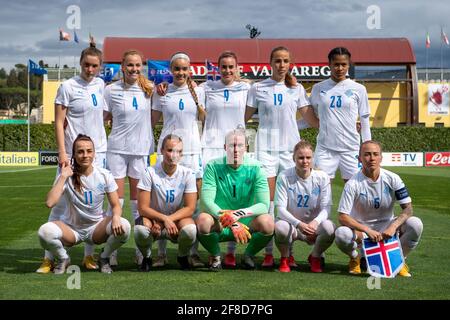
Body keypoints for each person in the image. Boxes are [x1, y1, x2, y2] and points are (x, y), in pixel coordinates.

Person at [36, 43, 108, 273]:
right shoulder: (67, 86)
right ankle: (50, 257)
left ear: (100, 67)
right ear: (80, 64)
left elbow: (103, 115)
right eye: (86, 64)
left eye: (94, 65)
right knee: (59, 203)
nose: (90, 69)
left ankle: (89, 256)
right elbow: (59, 122)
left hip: (98, 153)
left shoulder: (101, 84)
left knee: (94, 204)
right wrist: (62, 152)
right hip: (72, 155)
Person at [245, 46, 318, 268]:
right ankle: (268, 253)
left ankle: (289, 254)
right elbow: (243, 119)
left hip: (289, 151)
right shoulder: (257, 88)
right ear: (270, 63)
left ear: (290, 64)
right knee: (266, 203)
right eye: (277, 60)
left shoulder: (296, 89)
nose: (281, 64)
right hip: (265, 151)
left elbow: (311, 120)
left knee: (289, 203)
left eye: (285, 61)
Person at [37, 134, 131, 274]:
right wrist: (63, 176)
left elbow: (116, 204)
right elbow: (50, 202)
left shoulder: (104, 175)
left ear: (94, 154)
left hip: (96, 229)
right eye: (80, 151)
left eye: (89, 151)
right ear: (74, 155)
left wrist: (116, 217)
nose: (85, 155)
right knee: (44, 232)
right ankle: (64, 258)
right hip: (71, 229)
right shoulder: (67, 175)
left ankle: (104, 257)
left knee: (125, 226)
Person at [335, 140, 423, 277]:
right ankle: (355, 258)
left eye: (375, 154)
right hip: (362, 232)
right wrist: (367, 230)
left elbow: (408, 209)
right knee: (341, 233)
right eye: (367, 154)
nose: (372, 158)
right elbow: (342, 217)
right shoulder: (352, 184)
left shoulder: (393, 178)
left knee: (416, 224)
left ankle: (399, 262)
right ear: (359, 158)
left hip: (387, 228)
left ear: (381, 157)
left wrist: (393, 226)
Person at [151, 52, 206, 268]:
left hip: (192, 152)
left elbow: (231, 81)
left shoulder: (200, 91)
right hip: (167, 152)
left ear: (190, 70)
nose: (180, 72)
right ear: (171, 70)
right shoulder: (162, 91)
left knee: (195, 203)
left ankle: (192, 252)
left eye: (184, 69)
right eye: (177, 69)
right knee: (162, 201)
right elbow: (152, 121)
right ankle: (161, 254)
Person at [200, 51, 251, 268]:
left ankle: (230, 250)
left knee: (235, 196)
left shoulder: (248, 87)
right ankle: (207, 251)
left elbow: (270, 84)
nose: (228, 70)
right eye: (224, 67)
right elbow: (183, 88)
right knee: (209, 199)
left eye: (232, 67)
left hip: (236, 146)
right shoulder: (206, 88)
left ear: (237, 68)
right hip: (210, 147)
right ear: (218, 68)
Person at [103, 49, 154, 266]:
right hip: (116, 150)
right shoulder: (110, 90)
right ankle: (110, 251)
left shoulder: (150, 89)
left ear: (142, 66)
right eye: (129, 65)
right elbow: (101, 118)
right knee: (116, 202)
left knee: (138, 203)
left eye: (137, 65)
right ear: (122, 67)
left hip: (141, 151)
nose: (134, 69)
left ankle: (141, 251)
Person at [196, 129, 274, 271]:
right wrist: (230, 220)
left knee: (268, 222)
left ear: (246, 147)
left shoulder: (257, 167)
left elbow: (264, 205)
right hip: (220, 221)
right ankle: (216, 256)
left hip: (246, 224)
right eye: (232, 145)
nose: (236, 149)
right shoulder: (213, 166)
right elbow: (206, 201)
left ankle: (248, 256)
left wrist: (237, 215)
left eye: (240, 145)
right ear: (225, 147)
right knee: (202, 221)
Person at [134, 134, 198, 271]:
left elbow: (190, 208)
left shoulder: (188, 174)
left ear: (182, 154)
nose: (173, 155)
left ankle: (182, 256)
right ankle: (147, 257)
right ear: (162, 151)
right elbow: (142, 208)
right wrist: (163, 219)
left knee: (191, 230)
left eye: (178, 152)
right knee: (140, 229)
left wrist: (167, 220)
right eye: (170, 150)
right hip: (153, 221)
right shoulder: (149, 172)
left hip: (176, 221)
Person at [309, 47, 371, 183]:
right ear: (329, 65)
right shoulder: (318, 88)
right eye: (336, 64)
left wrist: (367, 146)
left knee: (357, 192)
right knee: (320, 193)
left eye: (344, 64)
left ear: (349, 65)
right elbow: (310, 117)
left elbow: (364, 120)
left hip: (351, 149)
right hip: (325, 149)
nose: (340, 68)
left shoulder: (359, 89)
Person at [274, 141, 335, 273]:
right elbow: (280, 209)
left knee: (329, 228)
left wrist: (315, 222)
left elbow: (327, 207)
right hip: (293, 226)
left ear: (313, 158)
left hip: (314, 227)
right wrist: (299, 224)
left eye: (308, 158)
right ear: (294, 159)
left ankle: (315, 256)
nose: (305, 161)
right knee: (280, 227)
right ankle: (285, 257)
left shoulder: (322, 177)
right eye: (301, 158)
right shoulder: (284, 176)